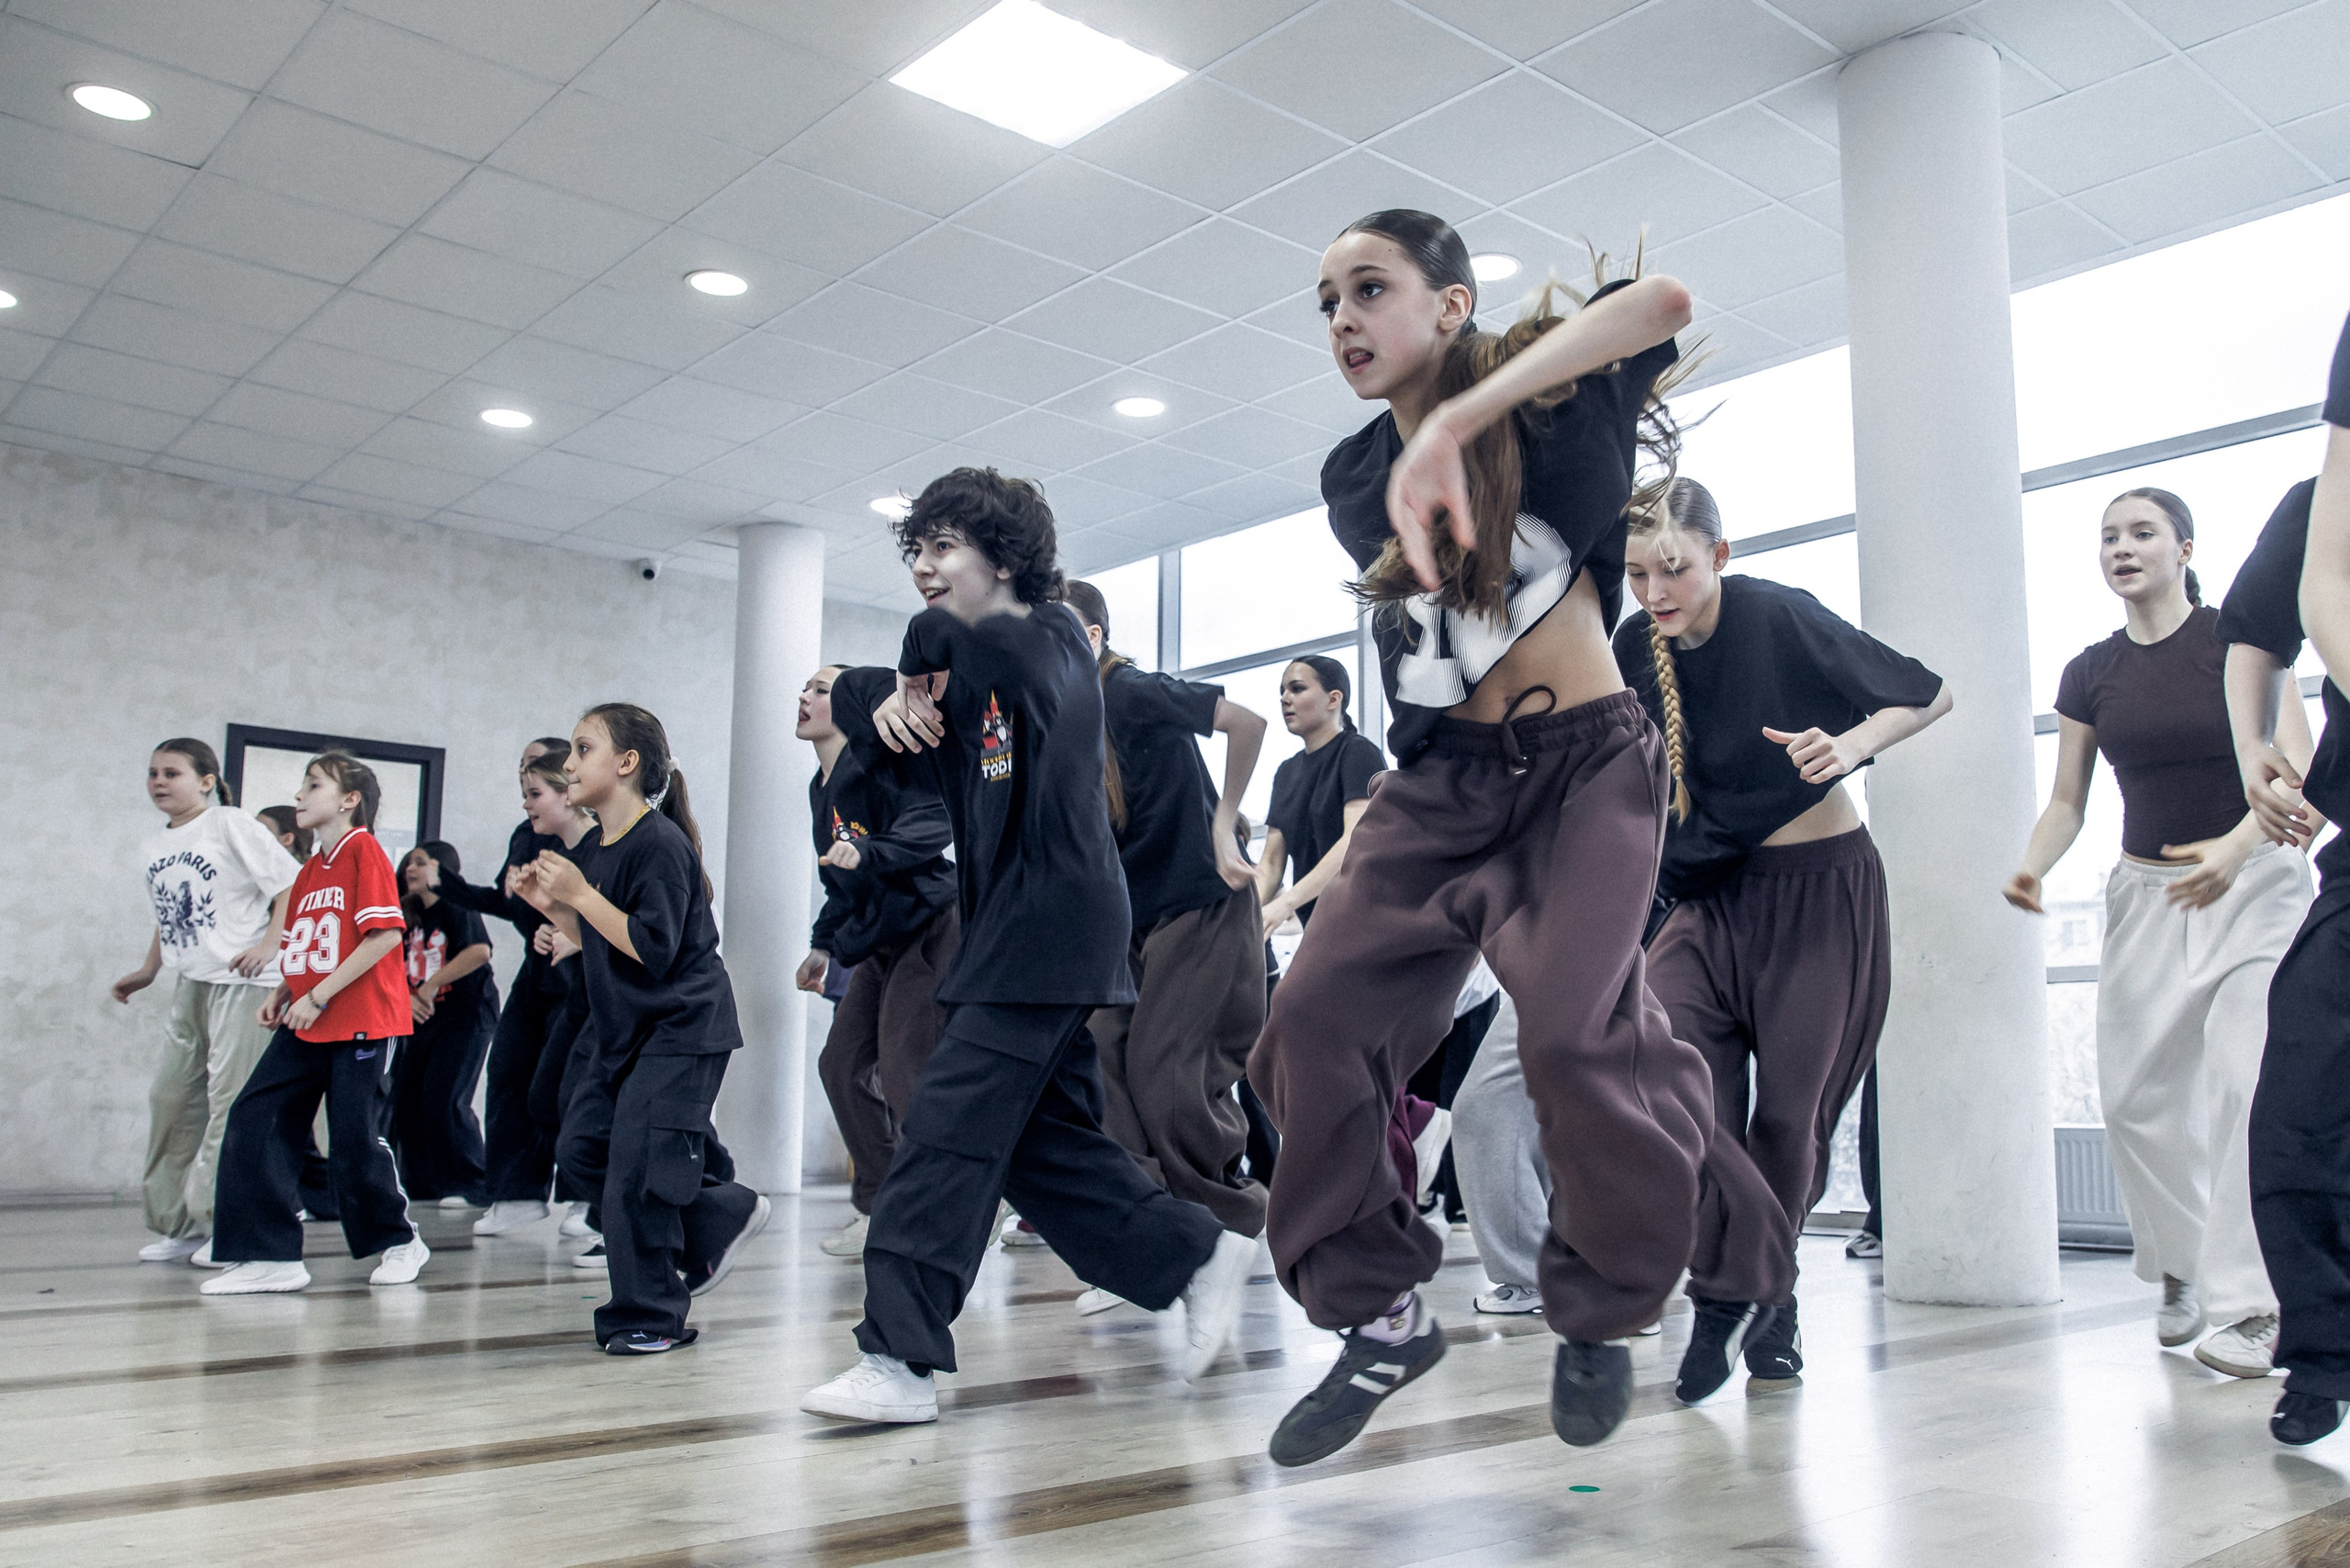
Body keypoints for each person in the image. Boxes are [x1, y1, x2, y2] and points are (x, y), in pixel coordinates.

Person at [1249, 208, 1793, 1468]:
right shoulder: (1351, 481)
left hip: (1581, 772)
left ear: (1451, 303)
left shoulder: (1554, 403)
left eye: (1368, 288)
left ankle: (1602, 1304)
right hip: (1438, 787)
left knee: (1569, 1039)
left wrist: (1457, 421)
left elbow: (1662, 302)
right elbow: (1442, 623)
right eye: (1325, 301)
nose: (1340, 319)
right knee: (1308, 1030)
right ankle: (1380, 1317)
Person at [800, 467, 1255, 1426]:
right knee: (1041, 1148)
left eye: (944, 547)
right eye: (917, 550)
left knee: (943, 1129)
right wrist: (888, 700)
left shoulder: (1046, 639)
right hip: (1017, 935)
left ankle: (898, 1356)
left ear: (1004, 557)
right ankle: (1193, 1253)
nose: (924, 568)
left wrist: (907, 665)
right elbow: (884, 715)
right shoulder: (976, 673)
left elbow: (966, 646)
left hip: (1050, 928)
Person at [1617, 477, 1950, 1398]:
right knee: (1680, 1096)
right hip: (1706, 904)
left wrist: (1849, 747)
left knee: (1787, 1124)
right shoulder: (1631, 650)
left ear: (1718, 555)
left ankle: (1763, 1295)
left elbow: (1927, 695)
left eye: (1673, 568)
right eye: (1637, 574)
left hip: (1818, 897)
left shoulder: (1773, 615)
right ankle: (1734, 1288)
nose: (1655, 592)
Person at [2008, 487, 2313, 1381]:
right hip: (2149, 898)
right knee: (2135, 1102)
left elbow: (2295, 764)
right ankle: (2183, 1262)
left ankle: (2250, 1304)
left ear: (2185, 548)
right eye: (2109, 536)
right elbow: (2068, 801)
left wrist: (2234, 848)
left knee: (2241, 1082)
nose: (2122, 547)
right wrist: (2032, 865)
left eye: (2142, 532)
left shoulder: (2238, 640)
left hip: (2254, 884)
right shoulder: (2089, 673)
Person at [524, 706, 768, 1354]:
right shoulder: (598, 849)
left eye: (583, 749)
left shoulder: (659, 844)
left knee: (637, 1170)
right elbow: (602, 938)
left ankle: (650, 1317)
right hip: (630, 1031)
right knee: (582, 1147)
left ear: (627, 763)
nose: (568, 764)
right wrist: (554, 910)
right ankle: (720, 1213)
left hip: (682, 1028)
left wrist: (579, 896)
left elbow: (652, 948)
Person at [1064, 577, 1271, 1272]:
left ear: (1092, 637)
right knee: (1098, 1051)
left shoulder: (1128, 690)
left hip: (1199, 899)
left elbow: (1247, 722)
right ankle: (1150, 1224)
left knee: (1165, 1072)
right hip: (1132, 917)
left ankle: (1227, 1224)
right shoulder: (1062, 717)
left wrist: (1223, 822)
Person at [2227, 314, 2350, 1443]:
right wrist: (2253, 746)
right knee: (2302, 1099)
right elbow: (2258, 631)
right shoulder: (2320, 508)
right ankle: (2324, 1351)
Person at [201, 753, 430, 1294]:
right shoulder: (309, 870)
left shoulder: (364, 851)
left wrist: (318, 997)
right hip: (308, 1019)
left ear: (349, 800)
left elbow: (383, 936)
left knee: (353, 1140)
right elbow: (310, 946)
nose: (299, 796)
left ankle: (401, 1241)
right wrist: (285, 991)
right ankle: (269, 1255)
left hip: (362, 1023)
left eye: (313, 785)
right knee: (255, 1116)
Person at [795, 663, 959, 1262]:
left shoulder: (882, 761)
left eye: (821, 689)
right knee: (840, 1065)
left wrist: (871, 851)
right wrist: (822, 945)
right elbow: (841, 880)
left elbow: (936, 819)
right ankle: (883, 1206)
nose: (806, 696)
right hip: (880, 939)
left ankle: (943, 1206)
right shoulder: (820, 789)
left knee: (903, 1069)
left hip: (932, 924)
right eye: (806, 687)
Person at [113, 739, 297, 1263]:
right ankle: (181, 1224)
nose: (158, 781)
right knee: (171, 1099)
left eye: (171, 773)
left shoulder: (229, 824)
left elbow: (291, 885)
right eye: (153, 773)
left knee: (230, 1104)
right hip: (191, 981)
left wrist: (270, 945)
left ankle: (228, 1224)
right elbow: (171, 912)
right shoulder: (157, 843)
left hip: (244, 982)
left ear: (206, 780)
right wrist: (149, 970)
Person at [436, 738, 582, 1238]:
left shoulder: (599, 839)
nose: (525, 791)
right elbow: (513, 904)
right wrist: (450, 884)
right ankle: (517, 1193)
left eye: (534, 781)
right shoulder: (526, 834)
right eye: (522, 774)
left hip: (579, 978)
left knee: (565, 1086)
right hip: (538, 969)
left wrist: (563, 925)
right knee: (508, 1070)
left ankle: (585, 1197)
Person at [389, 842, 497, 1209]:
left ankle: (472, 1184)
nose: (410, 869)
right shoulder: (408, 915)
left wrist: (429, 986)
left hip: (466, 1015)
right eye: (408, 863)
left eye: (420, 863)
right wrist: (407, 996)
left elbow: (479, 951)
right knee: (408, 1102)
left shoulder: (455, 904)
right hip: (424, 1020)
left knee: (445, 1099)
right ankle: (422, 1186)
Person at [1257, 655, 1385, 938]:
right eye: (1282, 691)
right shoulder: (1286, 772)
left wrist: (1284, 904)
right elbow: (1272, 862)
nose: (1284, 698)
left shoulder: (1358, 753)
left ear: (1333, 699)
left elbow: (1355, 841)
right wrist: (1246, 913)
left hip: (1370, 919)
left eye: (1297, 688)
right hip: (1319, 925)